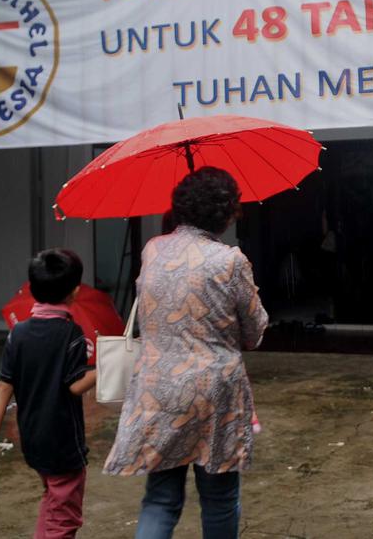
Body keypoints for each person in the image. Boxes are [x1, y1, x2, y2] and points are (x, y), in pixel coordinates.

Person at [104, 167, 269, 539]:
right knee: (220, 499)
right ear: (225, 213)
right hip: (214, 393)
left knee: (160, 499)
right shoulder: (230, 261)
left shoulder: (152, 250)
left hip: (157, 389)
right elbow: (255, 331)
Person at [0, 248, 97, 539]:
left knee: (53, 501)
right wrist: (108, 366)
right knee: (64, 520)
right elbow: (76, 385)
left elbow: (4, 385)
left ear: (32, 288)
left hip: (33, 440)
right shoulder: (71, 334)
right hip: (63, 445)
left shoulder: (18, 333)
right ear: (75, 292)